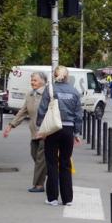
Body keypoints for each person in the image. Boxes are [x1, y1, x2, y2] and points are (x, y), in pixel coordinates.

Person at [36, 66, 82, 206]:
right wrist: (76, 133)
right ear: (67, 77)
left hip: (52, 129)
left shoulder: (50, 89)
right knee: (65, 163)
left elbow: (42, 110)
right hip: (68, 130)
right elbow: (78, 115)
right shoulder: (75, 92)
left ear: (54, 75)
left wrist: (41, 128)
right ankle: (68, 199)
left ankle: (52, 198)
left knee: (51, 163)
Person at [3, 72, 48, 193]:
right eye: (32, 80)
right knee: (35, 155)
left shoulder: (48, 94)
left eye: (35, 80)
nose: (32, 82)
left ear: (43, 81)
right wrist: (11, 125)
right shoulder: (30, 95)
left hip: (46, 132)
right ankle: (52, 172)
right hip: (34, 132)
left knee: (40, 159)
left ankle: (38, 185)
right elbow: (23, 112)